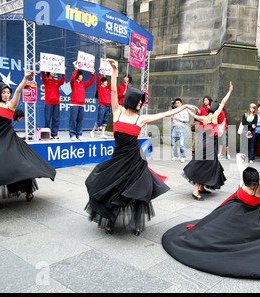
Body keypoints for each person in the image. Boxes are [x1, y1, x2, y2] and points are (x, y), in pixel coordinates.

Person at [85, 60, 198, 235]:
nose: (141, 104)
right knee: (112, 188)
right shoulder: (117, 112)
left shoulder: (141, 119)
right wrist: (114, 70)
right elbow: (114, 91)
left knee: (138, 190)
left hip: (135, 160)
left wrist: (182, 107)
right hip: (118, 158)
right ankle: (110, 220)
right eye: (139, 101)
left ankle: (137, 224)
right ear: (131, 100)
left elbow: (163, 114)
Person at [162, 153, 260, 279]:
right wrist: (239, 158)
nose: (251, 186)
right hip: (234, 208)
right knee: (213, 227)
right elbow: (241, 167)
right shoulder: (244, 179)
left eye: (253, 185)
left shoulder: (259, 189)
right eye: (249, 185)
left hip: (253, 214)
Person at [0, 53, 56, 209]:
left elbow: (17, 92)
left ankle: (28, 191)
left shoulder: (10, 106)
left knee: (21, 165)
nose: (6, 94)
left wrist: (25, 79)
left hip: (7, 141)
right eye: (3, 92)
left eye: (7, 92)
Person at [184, 83, 233, 200]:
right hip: (209, 145)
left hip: (207, 144)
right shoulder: (215, 116)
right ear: (216, 109)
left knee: (208, 164)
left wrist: (187, 108)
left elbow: (192, 115)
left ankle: (201, 188)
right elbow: (224, 102)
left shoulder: (204, 118)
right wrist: (230, 91)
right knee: (205, 166)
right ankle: (196, 191)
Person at [38, 61, 65, 139]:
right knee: (47, 118)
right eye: (52, 71)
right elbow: (42, 75)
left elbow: (62, 81)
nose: (54, 73)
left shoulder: (56, 82)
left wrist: (63, 72)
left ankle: (54, 134)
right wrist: (41, 67)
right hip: (48, 103)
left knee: (56, 119)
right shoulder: (46, 81)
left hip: (56, 103)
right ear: (49, 73)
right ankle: (47, 133)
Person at [69, 65, 95, 141]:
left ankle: (79, 134)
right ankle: (72, 134)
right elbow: (71, 79)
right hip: (74, 104)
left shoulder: (82, 84)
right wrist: (75, 70)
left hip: (81, 104)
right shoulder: (73, 83)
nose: (81, 77)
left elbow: (90, 82)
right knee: (73, 120)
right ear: (77, 76)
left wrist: (92, 74)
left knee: (80, 120)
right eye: (80, 75)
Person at [90, 72, 111, 139]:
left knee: (105, 120)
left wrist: (114, 74)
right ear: (102, 82)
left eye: (106, 81)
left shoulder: (107, 88)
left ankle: (102, 133)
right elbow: (97, 81)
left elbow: (112, 83)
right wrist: (99, 73)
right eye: (104, 81)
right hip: (102, 105)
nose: (106, 83)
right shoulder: (100, 87)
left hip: (108, 105)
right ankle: (92, 131)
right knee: (100, 121)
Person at [171, 98, 189, 163]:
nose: (177, 104)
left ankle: (183, 156)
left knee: (181, 143)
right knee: (173, 143)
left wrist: (179, 118)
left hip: (181, 127)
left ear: (181, 103)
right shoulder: (174, 110)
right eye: (176, 103)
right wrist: (170, 111)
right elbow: (170, 117)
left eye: (178, 103)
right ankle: (175, 155)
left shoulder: (184, 110)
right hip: (174, 127)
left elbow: (187, 120)